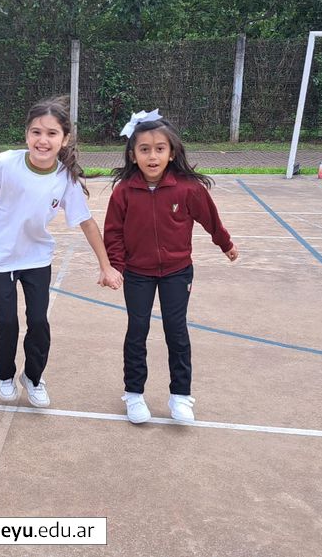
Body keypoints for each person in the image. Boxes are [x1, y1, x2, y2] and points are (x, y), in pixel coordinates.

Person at [0, 96, 122, 408]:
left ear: (64, 139)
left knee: (38, 322)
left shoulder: (64, 178)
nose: (43, 140)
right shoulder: (4, 163)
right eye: (36, 132)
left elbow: (86, 222)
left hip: (37, 259)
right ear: (26, 134)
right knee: (7, 323)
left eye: (52, 133)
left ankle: (33, 377)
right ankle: (5, 376)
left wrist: (105, 266)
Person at [103, 110, 239, 424]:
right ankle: (134, 394)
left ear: (172, 152)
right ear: (133, 155)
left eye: (159, 149)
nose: (152, 156)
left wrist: (226, 244)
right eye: (144, 149)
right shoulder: (124, 191)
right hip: (137, 273)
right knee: (137, 331)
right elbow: (113, 232)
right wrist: (116, 266)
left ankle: (180, 396)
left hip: (177, 272)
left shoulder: (188, 188)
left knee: (176, 331)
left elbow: (211, 219)